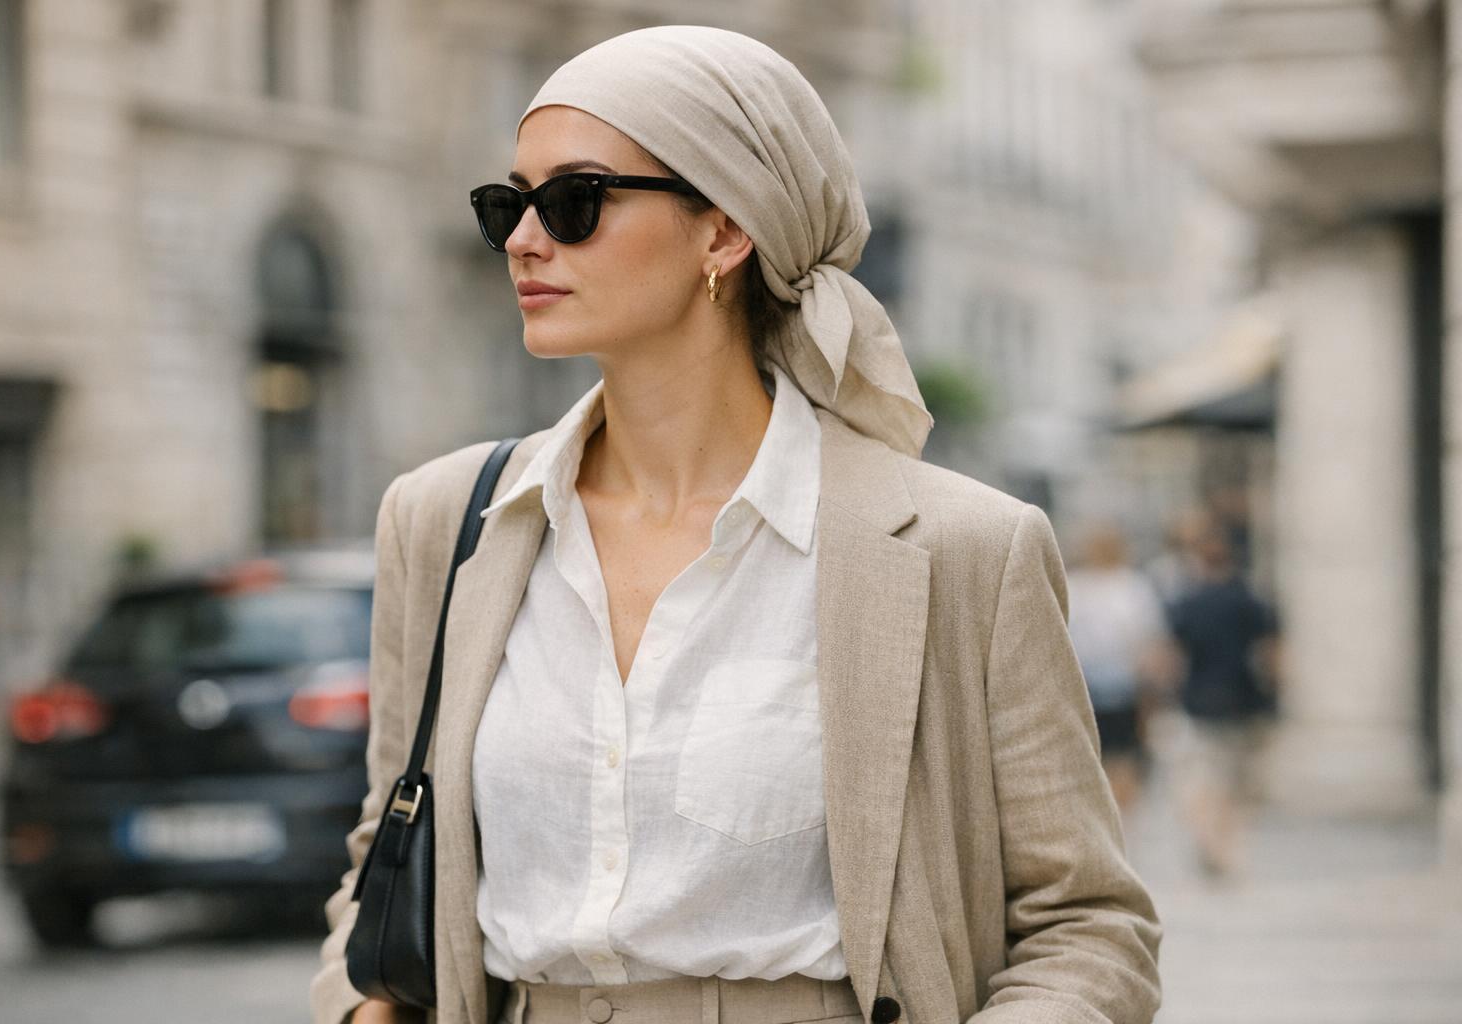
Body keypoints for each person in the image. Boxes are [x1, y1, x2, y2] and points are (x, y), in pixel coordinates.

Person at [312, 26, 1160, 1024]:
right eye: (509, 203)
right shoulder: (447, 522)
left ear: (724, 230)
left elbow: (1088, 923)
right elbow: (389, 853)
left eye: (573, 203)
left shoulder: (961, 549)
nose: (523, 239)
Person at [1164, 514, 1280, 879]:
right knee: (1239, 785)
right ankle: (1225, 847)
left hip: (1199, 702)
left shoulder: (1187, 602)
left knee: (1203, 780)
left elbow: (1170, 656)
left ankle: (1208, 839)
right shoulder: (1250, 599)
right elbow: (1272, 653)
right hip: (1245, 701)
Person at [1065, 521, 1173, 815]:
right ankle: (1121, 821)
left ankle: (1106, 819)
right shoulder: (1133, 587)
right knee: (1125, 760)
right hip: (1125, 686)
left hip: (1085, 686)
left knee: (1094, 758)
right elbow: (1150, 643)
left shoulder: (1074, 586)